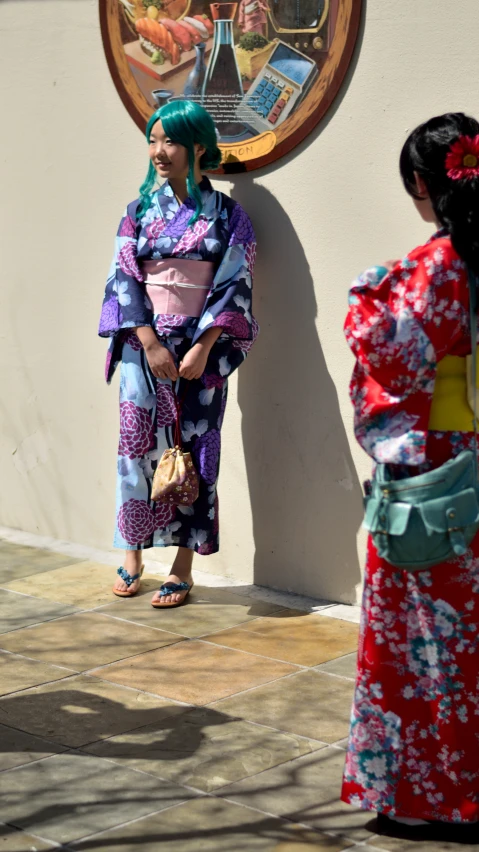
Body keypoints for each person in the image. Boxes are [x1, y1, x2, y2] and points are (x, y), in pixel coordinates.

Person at [342, 113, 479, 840]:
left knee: (423, 638)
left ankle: (433, 799)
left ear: (423, 186)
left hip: (439, 466)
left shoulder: (436, 268)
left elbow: (389, 356)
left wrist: (364, 297)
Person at [98, 100, 257, 608]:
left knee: (195, 452)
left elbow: (236, 281)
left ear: (196, 147)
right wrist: (146, 340)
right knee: (134, 448)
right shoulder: (138, 213)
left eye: (170, 142)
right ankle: (132, 555)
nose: (159, 152)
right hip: (142, 350)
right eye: (153, 140)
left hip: (201, 349)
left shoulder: (230, 216)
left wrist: (205, 349)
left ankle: (183, 566)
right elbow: (124, 277)